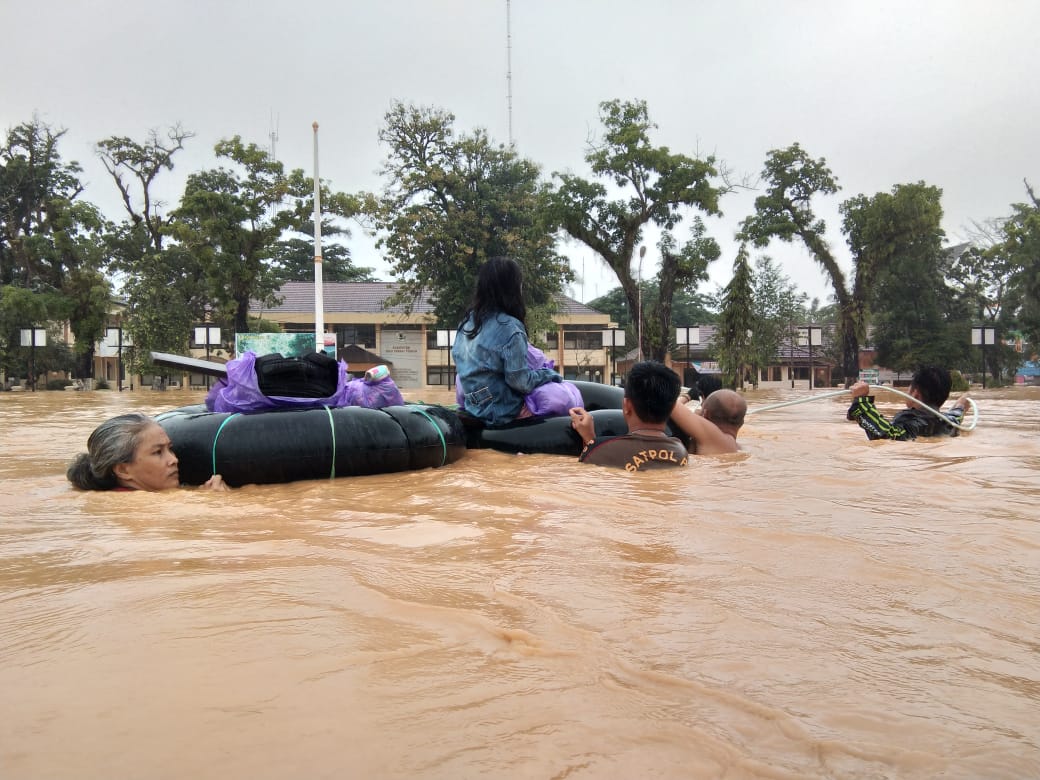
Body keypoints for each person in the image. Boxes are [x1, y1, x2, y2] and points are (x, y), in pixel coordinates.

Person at [452, 257, 564, 427]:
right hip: (503, 411)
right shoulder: (510, 328)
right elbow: (520, 382)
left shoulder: (466, 323)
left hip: (473, 407)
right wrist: (548, 375)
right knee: (561, 398)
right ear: (512, 289)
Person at [568, 361, 689, 471]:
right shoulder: (681, 451)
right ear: (672, 408)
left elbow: (595, 469)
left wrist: (590, 441)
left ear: (627, 406)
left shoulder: (602, 450)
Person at [67, 413, 228, 491]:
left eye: (170, 449)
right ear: (123, 470)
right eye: (158, 452)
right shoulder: (132, 508)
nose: (174, 460)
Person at [845, 365, 972, 440]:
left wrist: (861, 401)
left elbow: (887, 435)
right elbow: (957, 414)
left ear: (915, 393)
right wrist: (961, 404)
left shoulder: (912, 424)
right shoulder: (948, 424)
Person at [670, 388, 745, 454]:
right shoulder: (736, 447)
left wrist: (687, 396)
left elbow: (670, 403)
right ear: (742, 423)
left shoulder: (714, 437)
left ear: (706, 414)